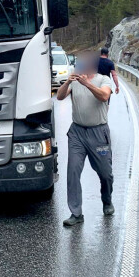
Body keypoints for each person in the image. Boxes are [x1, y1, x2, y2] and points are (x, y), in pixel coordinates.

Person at [55, 53, 114, 227]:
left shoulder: (103, 80)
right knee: (73, 170)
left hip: (98, 133)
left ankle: (107, 200)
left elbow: (104, 96)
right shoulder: (74, 81)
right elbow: (59, 97)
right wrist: (68, 81)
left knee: (105, 173)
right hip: (77, 133)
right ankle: (76, 212)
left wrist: (85, 83)